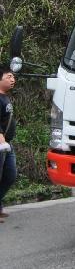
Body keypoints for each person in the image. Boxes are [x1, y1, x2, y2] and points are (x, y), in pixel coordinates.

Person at [0, 68, 17, 220]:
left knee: (10, 175)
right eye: (9, 76)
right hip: (1, 144)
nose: (13, 79)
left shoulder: (5, 97)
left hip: (8, 144)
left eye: (13, 77)